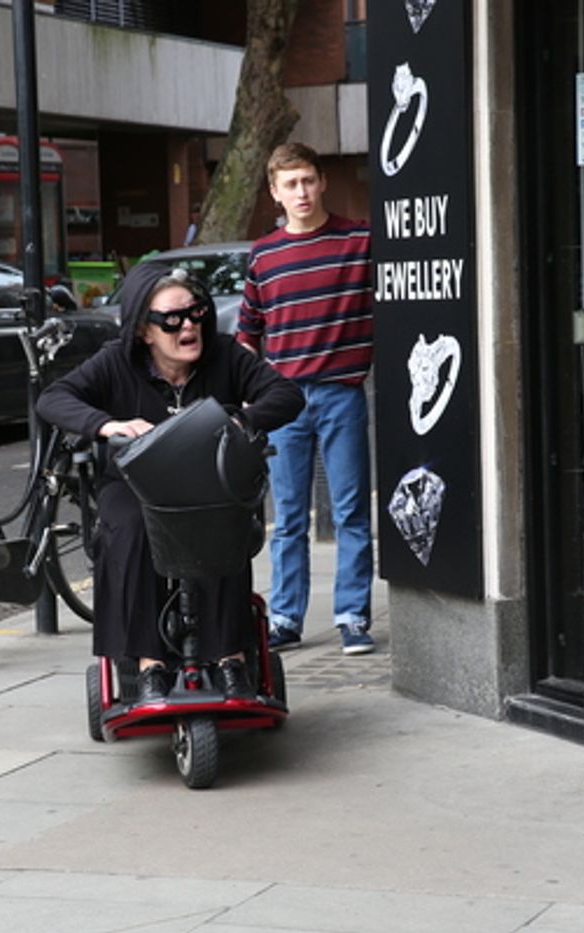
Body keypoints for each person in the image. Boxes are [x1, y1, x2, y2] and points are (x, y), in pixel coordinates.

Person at [36, 261, 303, 703]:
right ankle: (149, 667)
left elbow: (287, 395)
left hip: (206, 480)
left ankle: (231, 659)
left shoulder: (225, 353)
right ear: (144, 330)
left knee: (214, 525)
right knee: (136, 528)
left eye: (195, 313)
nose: (189, 325)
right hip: (134, 483)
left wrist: (241, 418)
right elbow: (53, 398)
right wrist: (107, 425)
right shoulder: (115, 364)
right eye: (172, 320)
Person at [236, 142, 376, 656]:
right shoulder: (265, 255)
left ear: (322, 182)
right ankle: (285, 618)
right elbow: (247, 334)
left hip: (342, 393)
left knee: (350, 511)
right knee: (289, 517)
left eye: (308, 181)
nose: (301, 191)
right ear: (275, 192)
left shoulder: (360, 241)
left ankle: (353, 616)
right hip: (283, 401)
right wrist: (249, 395)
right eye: (290, 184)